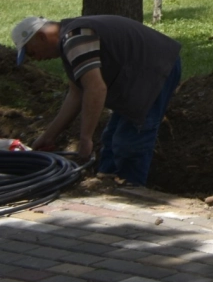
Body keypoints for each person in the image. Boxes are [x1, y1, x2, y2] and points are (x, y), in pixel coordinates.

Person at [12, 14, 181, 185]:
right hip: (137, 74)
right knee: (110, 139)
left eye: (32, 52)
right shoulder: (69, 41)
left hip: (156, 69)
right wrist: (49, 136)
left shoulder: (75, 38)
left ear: (41, 37)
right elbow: (76, 94)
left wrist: (85, 138)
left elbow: (96, 88)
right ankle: (105, 185)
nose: (37, 59)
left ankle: (132, 193)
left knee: (129, 143)